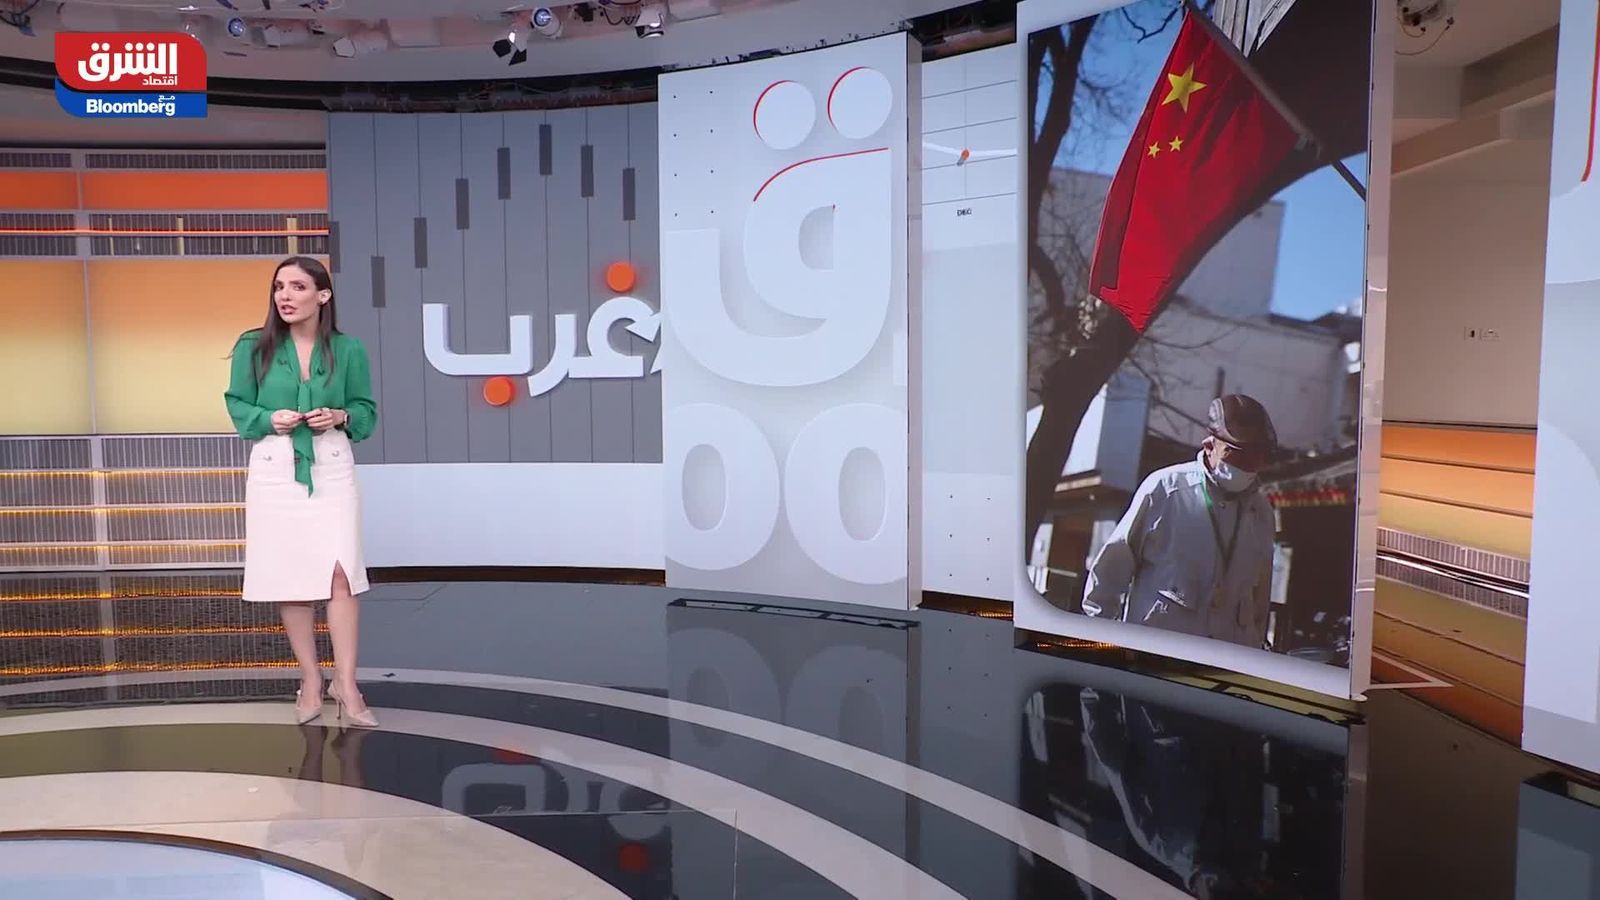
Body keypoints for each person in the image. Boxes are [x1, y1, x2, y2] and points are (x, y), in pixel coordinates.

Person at [225, 255, 379, 728]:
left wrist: (340, 416)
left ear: (322, 295)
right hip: (276, 466)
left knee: (340, 573)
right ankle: (311, 679)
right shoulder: (253, 345)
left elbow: (366, 411)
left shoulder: (348, 349)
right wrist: (267, 418)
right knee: (292, 577)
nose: (285, 296)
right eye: (279, 287)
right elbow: (237, 405)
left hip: (331, 463)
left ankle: (346, 683)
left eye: (297, 286)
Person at [1081, 394, 1278, 649]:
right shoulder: (1165, 489)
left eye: (1255, 456)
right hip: (1154, 656)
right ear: (1209, 446)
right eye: (1235, 454)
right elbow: (1112, 568)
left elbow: (1259, 598)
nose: (1246, 465)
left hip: (1225, 662)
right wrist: (1098, 643)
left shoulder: (1262, 513)